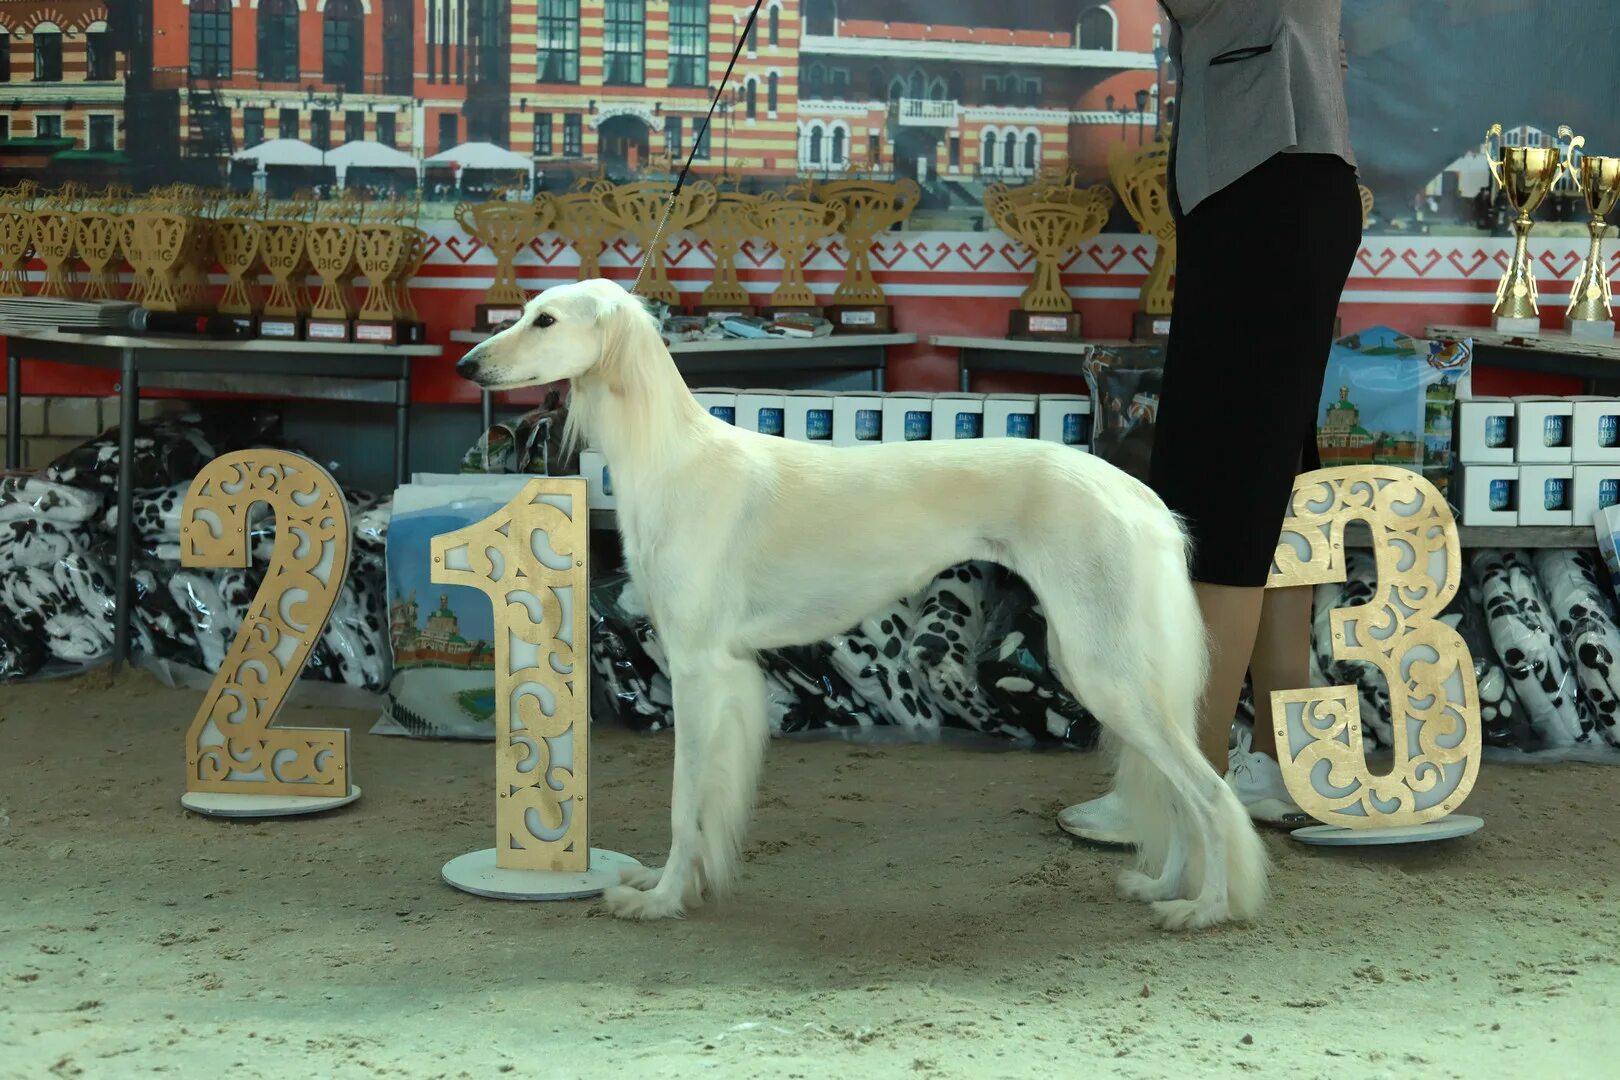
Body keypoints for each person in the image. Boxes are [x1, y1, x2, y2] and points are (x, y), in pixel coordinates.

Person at [1059, 0, 1362, 844]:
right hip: (1274, 182)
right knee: (1271, 484)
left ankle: (1180, 785)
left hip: (1265, 183)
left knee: (1223, 488)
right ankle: (1284, 760)